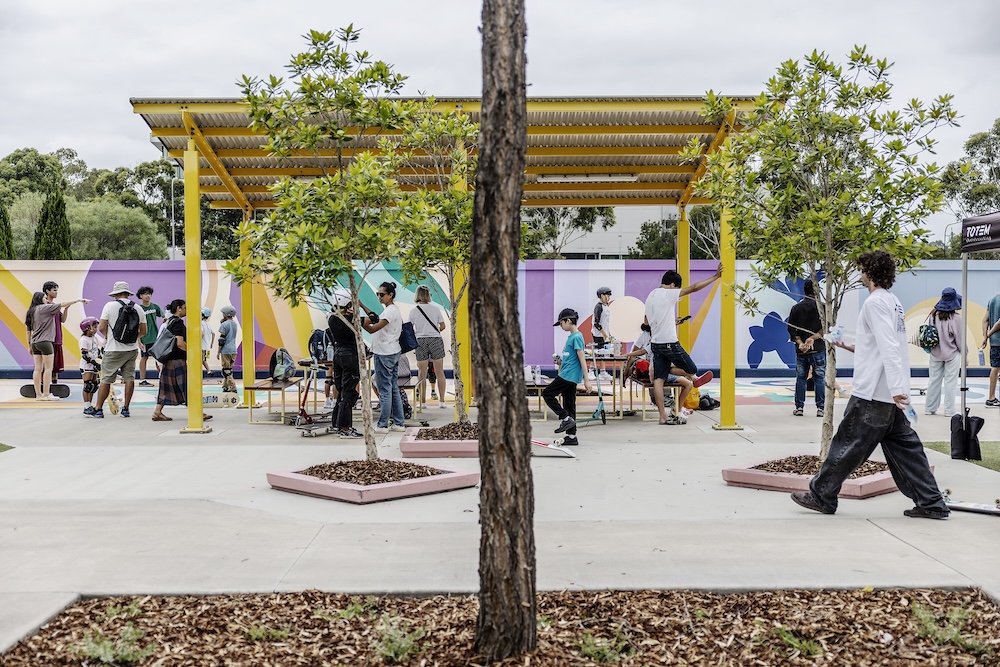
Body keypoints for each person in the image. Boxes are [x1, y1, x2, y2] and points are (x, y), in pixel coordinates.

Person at [791, 250, 950, 519]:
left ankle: (821, 495)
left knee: (847, 445)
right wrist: (843, 341)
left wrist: (897, 388)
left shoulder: (875, 303)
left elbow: (888, 346)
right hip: (889, 396)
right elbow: (878, 344)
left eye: (862, 270)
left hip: (873, 393)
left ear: (869, 273)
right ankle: (932, 502)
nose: (861, 274)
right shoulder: (892, 302)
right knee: (907, 451)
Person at [644, 266, 721, 425]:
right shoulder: (668, 293)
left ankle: (663, 417)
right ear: (673, 285)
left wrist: (671, 322)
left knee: (659, 379)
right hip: (669, 342)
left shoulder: (651, 295)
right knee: (691, 369)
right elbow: (694, 288)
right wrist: (715, 277)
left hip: (656, 343)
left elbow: (650, 320)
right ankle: (691, 378)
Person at [150, 300, 213, 423]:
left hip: (169, 359)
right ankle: (197, 413)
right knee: (187, 386)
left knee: (166, 387)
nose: (186, 310)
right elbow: (179, 343)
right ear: (179, 308)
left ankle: (157, 412)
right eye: (184, 307)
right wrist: (192, 352)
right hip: (177, 361)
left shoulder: (170, 321)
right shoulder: (178, 323)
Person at [91, 282, 147, 419]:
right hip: (131, 349)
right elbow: (144, 331)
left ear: (115, 294)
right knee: (129, 378)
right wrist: (132, 338)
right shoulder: (138, 308)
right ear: (128, 293)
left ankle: (98, 409)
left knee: (106, 379)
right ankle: (126, 409)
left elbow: (101, 327)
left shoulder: (109, 306)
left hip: (113, 349)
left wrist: (111, 337)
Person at [25, 291, 90, 400]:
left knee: (37, 369)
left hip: (35, 342)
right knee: (48, 368)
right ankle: (46, 394)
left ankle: (38, 395)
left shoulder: (32, 311)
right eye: (45, 298)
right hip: (46, 342)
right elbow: (62, 304)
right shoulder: (45, 308)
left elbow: (29, 330)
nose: (47, 300)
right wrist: (78, 300)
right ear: (40, 299)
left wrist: (29, 345)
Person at [542, 308, 592, 446]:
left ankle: (565, 418)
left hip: (568, 375)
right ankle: (571, 436)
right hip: (569, 374)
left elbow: (582, 358)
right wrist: (560, 362)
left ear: (568, 321)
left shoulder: (576, 337)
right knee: (569, 403)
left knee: (547, 394)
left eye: (561, 323)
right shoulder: (572, 337)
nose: (561, 326)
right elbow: (571, 358)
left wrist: (587, 379)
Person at [361, 281, 405, 433]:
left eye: (382, 294)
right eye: (378, 294)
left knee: (385, 390)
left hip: (384, 353)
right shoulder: (392, 310)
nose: (379, 297)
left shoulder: (389, 312)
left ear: (390, 295)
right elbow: (375, 318)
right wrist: (362, 306)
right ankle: (399, 422)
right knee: (393, 388)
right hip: (393, 351)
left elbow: (373, 329)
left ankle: (382, 425)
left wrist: (359, 322)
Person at [623, 321, 692, 414]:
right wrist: (627, 361)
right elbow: (639, 352)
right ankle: (678, 407)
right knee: (687, 383)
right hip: (659, 373)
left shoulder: (656, 342)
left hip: (661, 371)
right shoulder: (656, 342)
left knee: (683, 376)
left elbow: (641, 352)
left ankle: (678, 407)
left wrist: (627, 355)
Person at [787, 279, 827, 418]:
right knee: (819, 379)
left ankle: (799, 407)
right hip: (818, 349)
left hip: (801, 351)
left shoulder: (796, 308)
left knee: (801, 378)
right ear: (817, 290)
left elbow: (791, 329)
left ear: (804, 290)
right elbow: (825, 328)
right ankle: (820, 408)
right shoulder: (822, 307)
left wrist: (800, 343)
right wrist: (813, 338)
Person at [327, 292, 362, 439]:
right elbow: (374, 319)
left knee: (341, 390)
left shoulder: (332, 318)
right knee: (349, 392)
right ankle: (345, 428)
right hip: (349, 357)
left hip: (338, 355)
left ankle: (337, 423)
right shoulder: (350, 320)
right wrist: (360, 307)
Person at [925, 288, 963, 417]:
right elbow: (960, 339)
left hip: (935, 353)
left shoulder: (933, 315)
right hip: (952, 354)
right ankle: (949, 410)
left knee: (934, 380)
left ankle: (929, 408)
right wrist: (965, 354)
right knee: (950, 382)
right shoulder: (956, 318)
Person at [409, 285, 448, 409]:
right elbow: (443, 326)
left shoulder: (413, 310)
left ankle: (423, 403)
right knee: (440, 371)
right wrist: (434, 332)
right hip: (435, 339)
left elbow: (410, 328)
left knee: (422, 373)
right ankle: (442, 401)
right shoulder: (435, 309)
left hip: (420, 340)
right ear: (428, 295)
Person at [42, 281, 71, 386]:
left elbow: (62, 320)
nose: (56, 292)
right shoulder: (44, 306)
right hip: (48, 339)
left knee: (56, 366)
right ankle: (43, 384)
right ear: (47, 291)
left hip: (57, 339)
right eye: (54, 290)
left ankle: (54, 384)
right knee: (45, 365)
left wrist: (66, 309)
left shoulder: (55, 306)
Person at [136, 286, 164, 386]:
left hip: (156, 338)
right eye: (145, 294)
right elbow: (137, 326)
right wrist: (139, 341)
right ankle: (142, 380)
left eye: (149, 294)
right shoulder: (139, 309)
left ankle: (162, 377)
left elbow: (164, 317)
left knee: (158, 358)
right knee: (144, 358)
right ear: (140, 296)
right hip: (145, 338)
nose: (148, 296)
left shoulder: (155, 307)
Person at [79, 317, 104, 415]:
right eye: (94, 327)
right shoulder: (84, 340)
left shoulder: (94, 338)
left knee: (94, 386)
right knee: (88, 385)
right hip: (86, 366)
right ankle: (87, 406)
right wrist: (94, 363)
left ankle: (90, 405)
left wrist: (101, 359)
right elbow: (85, 355)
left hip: (94, 366)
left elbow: (96, 351)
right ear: (87, 328)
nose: (96, 329)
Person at [982, 287, 1000, 407]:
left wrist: (985, 337)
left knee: (995, 367)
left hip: (994, 342)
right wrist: (990, 333)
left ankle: (991, 397)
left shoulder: (993, 299)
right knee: (996, 368)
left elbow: (985, 320)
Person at [217, 306, 239, 393]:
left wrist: (218, 352)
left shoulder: (224, 325)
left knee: (226, 370)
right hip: (233, 349)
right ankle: (225, 386)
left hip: (225, 350)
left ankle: (233, 387)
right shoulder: (235, 324)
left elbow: (221, 340)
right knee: (229, 369)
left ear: (226, 314)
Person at [200, 307, 214, 377]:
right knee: (203, 359)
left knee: (201, 359)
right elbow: (213, 333)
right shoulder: (208, 324)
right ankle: (208, 371)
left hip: (202, 346)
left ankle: (209, 371)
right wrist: (212, 343)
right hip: (207, 346)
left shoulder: (201, 323)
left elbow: (202, 333)